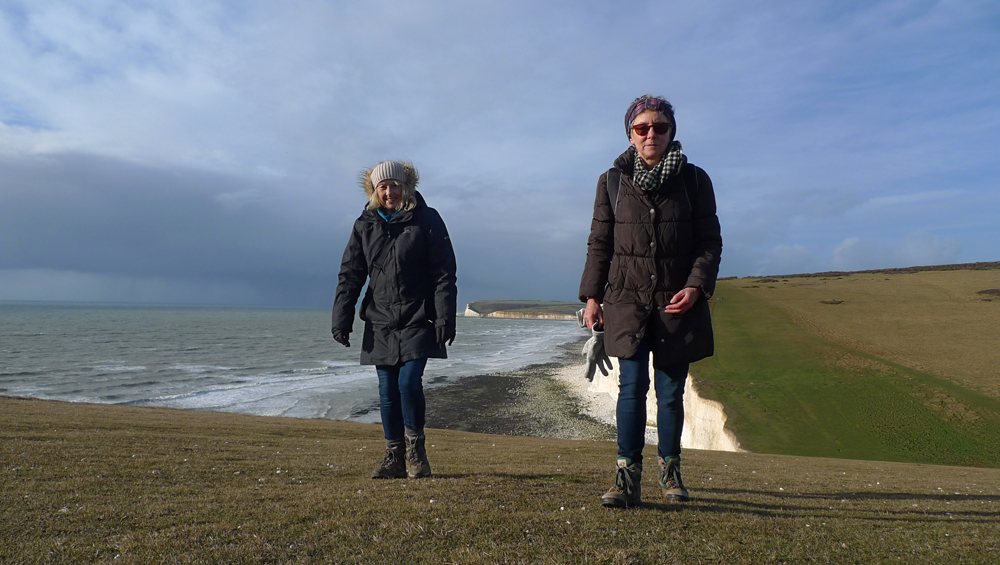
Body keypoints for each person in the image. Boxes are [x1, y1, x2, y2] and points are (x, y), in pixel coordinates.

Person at [579, 95, 722, 508]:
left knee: (672, 393)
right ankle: (627, 477)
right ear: (630, 134)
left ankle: (670, 473)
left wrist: (696, 286)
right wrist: (592, 296)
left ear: (671, 132)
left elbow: (709, 243)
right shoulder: (611, 182)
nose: (651, 134)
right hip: (626, 301)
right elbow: (599, 243)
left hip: (678, 303)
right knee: (631, 389)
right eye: (642, 128)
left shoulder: (695, 181)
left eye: (659, 127)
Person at [332, 160, 457, 480]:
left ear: (407, 187)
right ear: (374, 191)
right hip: (380, 319)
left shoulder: (427, 220)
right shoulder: (365, 224)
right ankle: (393, 458)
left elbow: (444, 273)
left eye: (395, 185)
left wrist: (445, 317)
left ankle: (417, 452)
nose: (389, 192)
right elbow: (351, 274)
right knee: (387, 390)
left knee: (408, 382)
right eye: (382, 187)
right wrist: (342, 317)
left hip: (418, 316)